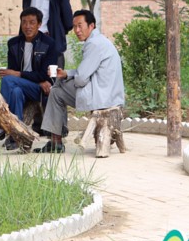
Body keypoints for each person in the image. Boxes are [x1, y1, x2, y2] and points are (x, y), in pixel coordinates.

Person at [38, 9, 125, 154]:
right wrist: (66, 73)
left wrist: (67, 77)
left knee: (56, 91)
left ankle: (55, 140)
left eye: (80, 26)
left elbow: (80, 79)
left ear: (91, 26)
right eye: (74, 26)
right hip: (109, 95)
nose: (77, 30)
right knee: (58, 87)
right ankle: (57, 137)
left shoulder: (93, 44)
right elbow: (86, 72)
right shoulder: (100, 41)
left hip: (101, 97)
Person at [0, 7, 58, 150]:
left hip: (40, 89)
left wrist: (18, 74)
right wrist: (17, 75)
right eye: (24, 22)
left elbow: (45, 74)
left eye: (32, 22)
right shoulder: (14, 44)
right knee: (15, 92)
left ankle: (1, 124)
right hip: (24, 86)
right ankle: (16, 136)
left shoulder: (49, 44)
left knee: (7, 80)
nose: (27, 26)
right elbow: (13, 70)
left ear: (39, 24)